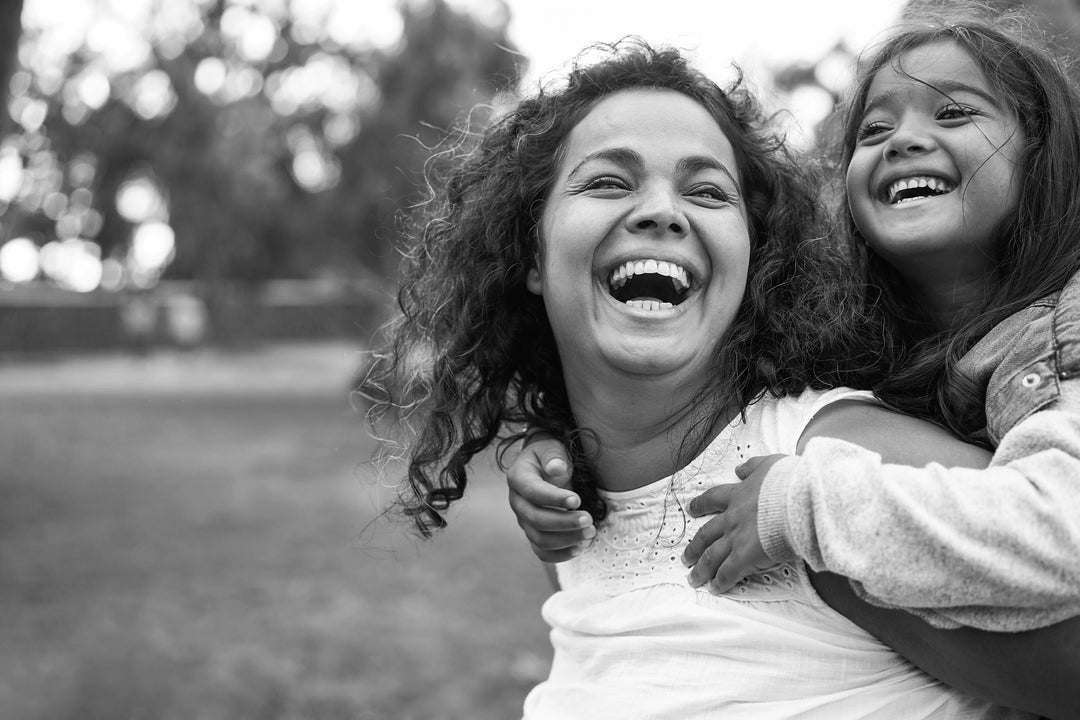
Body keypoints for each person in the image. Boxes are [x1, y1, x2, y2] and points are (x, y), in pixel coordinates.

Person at [365, 39, 1029, 718]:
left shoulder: (829, 468)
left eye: (707, 191)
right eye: (608, 181)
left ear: (753, 259)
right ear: (529, 254)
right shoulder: (572, 505)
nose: (662, 211)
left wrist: (811, 519)